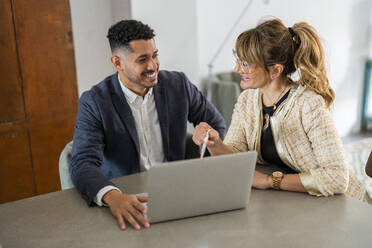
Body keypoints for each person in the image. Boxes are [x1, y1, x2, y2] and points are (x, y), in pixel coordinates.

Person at [70, 20, 226, 231]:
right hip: (126, 198)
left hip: (178, 196)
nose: (153, 66)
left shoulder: (178, 84)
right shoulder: (95, 102)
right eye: (142, 59)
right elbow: (82, 163)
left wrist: (209, 138)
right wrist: (113, 197)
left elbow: (216, 123)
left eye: (155, 55)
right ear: (117, 63)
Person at [193, 18, 369, 202]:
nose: (237, 69)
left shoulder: (308, 104)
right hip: (298, 204)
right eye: (238, 61)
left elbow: (338, 177)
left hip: (345, 205)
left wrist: (270, 181)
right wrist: (215, 143)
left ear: (275, 71)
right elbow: (236, 155)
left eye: (246, 64)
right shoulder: (247, 101)